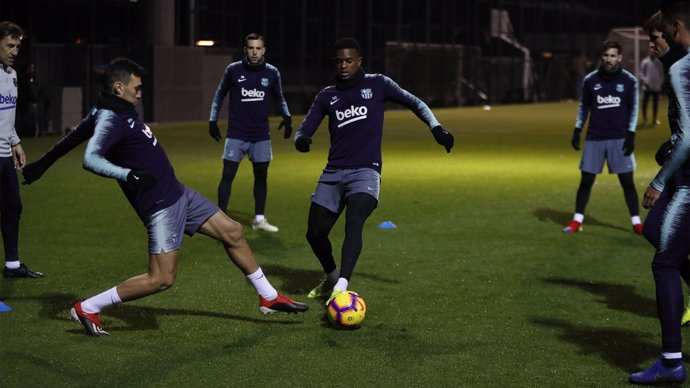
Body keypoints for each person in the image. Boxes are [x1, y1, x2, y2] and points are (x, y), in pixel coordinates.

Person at [23, 58, 307, 336]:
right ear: (118, 87)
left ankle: (268, 297)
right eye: (136, 88)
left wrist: (41, 165)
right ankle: (87, 307)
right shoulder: (110, 117)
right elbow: (91, 158)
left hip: (178, 192)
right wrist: (128, 175)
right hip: (161, 206)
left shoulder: (110, 108)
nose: (140, 92)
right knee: (161, 279)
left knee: (232, 231)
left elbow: (73, 139)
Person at [294, 37, 454, 299]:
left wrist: (437, 128)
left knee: (354, 221)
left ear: (359, 61)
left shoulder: (378, 84)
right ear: (334, 62)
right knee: (315, 234)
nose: (344, 65)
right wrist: (301, 140)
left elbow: (416, 103)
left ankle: (342, 286)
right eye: (339, 61)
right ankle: (332, 276)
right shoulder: (326, 95)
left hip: (366, 172)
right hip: (333, 173)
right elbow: (305, 128)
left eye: (349, 60)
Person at [628, 2, 690, 384]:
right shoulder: (679, 65)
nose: (655, 42)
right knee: (654, 231)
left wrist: (659, 179)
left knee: (665, 263)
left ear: (675, 27)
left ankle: (671, 361)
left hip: (688, 176)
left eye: (657, 35)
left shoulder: (683, 68)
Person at [208, 33, 291, 233]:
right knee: (227, 175)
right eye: (251, 48)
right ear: (245, 50)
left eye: (258, 48)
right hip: (236, 133)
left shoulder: (272, 73)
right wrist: (213, 120)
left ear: (264, 50)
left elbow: (279, 98)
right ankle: (221, 219)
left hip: (261, 135)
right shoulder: (233, 70)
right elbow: (219, 95)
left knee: (261, 176)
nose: (254, 52)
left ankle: (259, 219)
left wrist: (287, 118)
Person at [563, 40, 642, 235]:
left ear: (620, 57)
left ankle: (637, 223)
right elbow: (584, 107)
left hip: (619, 137)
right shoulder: (590, 80)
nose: (609, 59)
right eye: (606, 55)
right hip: (595, 138)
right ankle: (577, 220)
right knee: (586, 180)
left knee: (627, 182)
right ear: (601, 57)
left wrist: (631, 133)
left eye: (613, 55)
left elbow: (634, 108)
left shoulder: (629, 81)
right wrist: (577, 129)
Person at [0, 21, 41, 278]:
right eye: (9, 45)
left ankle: (12, 265)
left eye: (17, 46)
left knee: (13, 206)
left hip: (4, 155)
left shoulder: (12, 75)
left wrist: (15, 142)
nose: (14, 51)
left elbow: (7, 117)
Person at [640, 46, 665, 126]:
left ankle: (654, 119)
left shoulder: (659, 62)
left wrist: (660, 83)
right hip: (647, 87)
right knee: (645, 103)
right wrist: (645, 81)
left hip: (656, 87)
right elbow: (641, 73)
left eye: (655, 50)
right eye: (652, 50)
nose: (653, 52)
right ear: (649, 51)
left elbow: (662, 73)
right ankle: (645, 119)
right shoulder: (645, 62)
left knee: (655, 103)